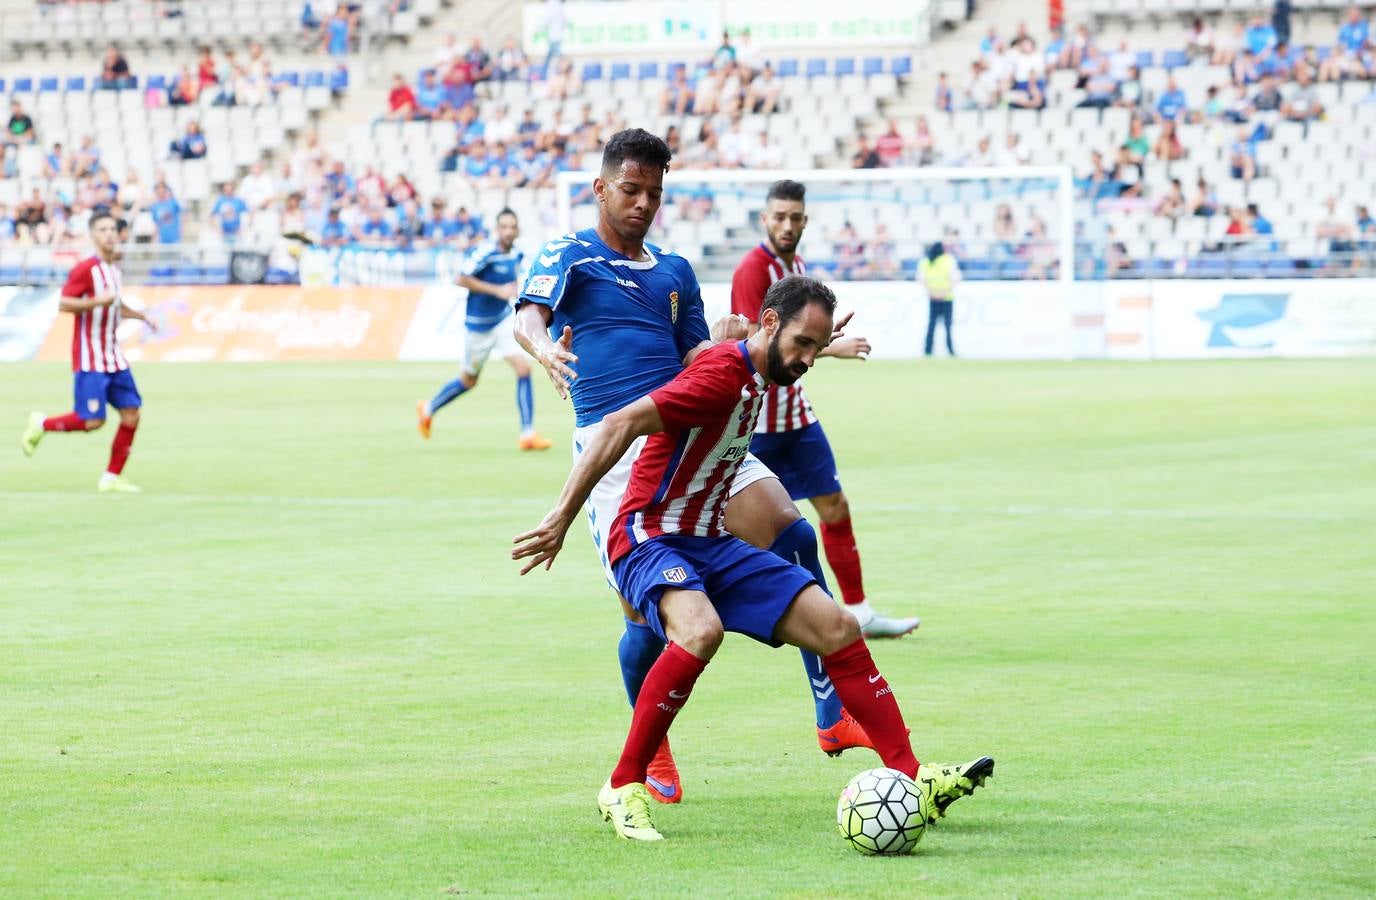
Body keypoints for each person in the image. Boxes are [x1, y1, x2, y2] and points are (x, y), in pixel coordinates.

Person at [512, 274, 994, 842]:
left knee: (837, 627)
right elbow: (619, 423)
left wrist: (811, 339)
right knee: (699, 630)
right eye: (803, 345)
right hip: (648, 534)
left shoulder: (754, 369)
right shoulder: (722, 377)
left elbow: (745, 347)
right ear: (769, 323)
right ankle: (622, 785)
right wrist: (561, 517)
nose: (809, 359)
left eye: (816, 348)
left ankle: (914, 777)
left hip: (707, 539)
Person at [513, 129, 882, 808]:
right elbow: (528, 319)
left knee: (793, 533)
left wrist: (761, 344)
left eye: (655, 192)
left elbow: (698, 366)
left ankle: (831, 713)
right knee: (643, 623)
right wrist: (543, 351)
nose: (643, 203)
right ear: (601, 187)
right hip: (616, 447)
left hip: (692, 433)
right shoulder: (569, 254)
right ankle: (650, 748)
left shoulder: (676, 271)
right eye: (631, 189)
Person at [731, 180, 920, 638]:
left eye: (795, 217)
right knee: (744, 525)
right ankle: (723, 608)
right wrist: (832, 349)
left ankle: (859, 611)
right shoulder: (752, 270)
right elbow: (756, 341)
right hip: (759, 423)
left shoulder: (792, 265)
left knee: (834, 506)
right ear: (765, 219)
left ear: (805, 221)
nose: (787, 225)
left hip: (796, 415)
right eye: (779, 216)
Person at [20, 212, 157, 493]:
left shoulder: (114, 270)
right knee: (92, 421)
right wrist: (97, 301)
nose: (109, 234)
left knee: (132, 414)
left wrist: (141, 316)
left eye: (112, 229)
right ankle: (42, 423)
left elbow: (114, 305)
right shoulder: (86, 269)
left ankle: (111, 477)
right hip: (90, 357)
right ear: (93, 235)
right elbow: (65, 303)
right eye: (102, 229)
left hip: (113, 356)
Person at [416, 209, 550, 451]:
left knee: (523, 368)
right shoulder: (485, 251)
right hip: (478, 327)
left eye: (512, 226)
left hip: (501, 320)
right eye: (504, 227)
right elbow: (461, 278)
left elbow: (513, 283)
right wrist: (496, 291)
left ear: (517, 230)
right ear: (497, 230)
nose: (509, 231)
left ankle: (527, 434)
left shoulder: (517, 254)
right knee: (468, 380)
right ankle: (428, 408)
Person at [920, 242, 960, 357]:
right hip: (946, 297)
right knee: (947, 325)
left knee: (931, 324)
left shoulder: (925, 262)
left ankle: (928, 350)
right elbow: (955, 278)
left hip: (933, 297)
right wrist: (944, 292)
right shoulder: (948, 260)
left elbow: (922, 279)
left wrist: (932, 292)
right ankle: (950, 350)